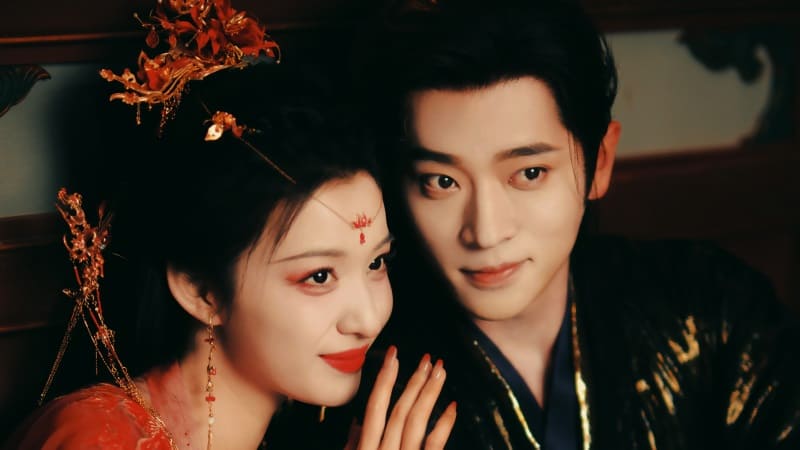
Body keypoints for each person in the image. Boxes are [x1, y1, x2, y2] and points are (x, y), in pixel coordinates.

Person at [338, 0, 800, 448]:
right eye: (441, 182)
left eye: (529, 173)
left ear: (600, 162)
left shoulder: (714, 307)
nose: (486, 232)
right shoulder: (353, 376)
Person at [3, 2, 456, 449]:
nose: (369, 319)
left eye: (377, 262)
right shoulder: (98, 440)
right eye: (319, 276)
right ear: (201, 290)